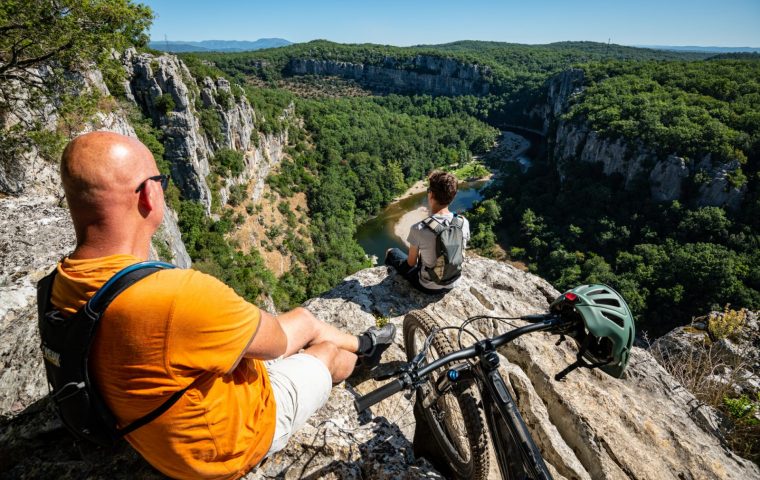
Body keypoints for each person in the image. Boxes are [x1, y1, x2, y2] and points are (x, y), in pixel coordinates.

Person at [50, 131, 396, 480]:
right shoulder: (178, 297)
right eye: (160, 181)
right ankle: (360, 359)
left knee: (304, 320)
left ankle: (364, 344)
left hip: (153, 435)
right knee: (325, 353)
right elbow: (275, 343)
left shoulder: (60, 284)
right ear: (149, 196)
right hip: (228, 447)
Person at [385, 170, 470, 294]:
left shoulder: (419, 228)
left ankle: (389, 285)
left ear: (430, 195)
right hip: (454, 282)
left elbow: (411, 262)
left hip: (428, 286)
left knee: (391, 252)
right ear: (453, 196)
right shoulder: (463, 222)